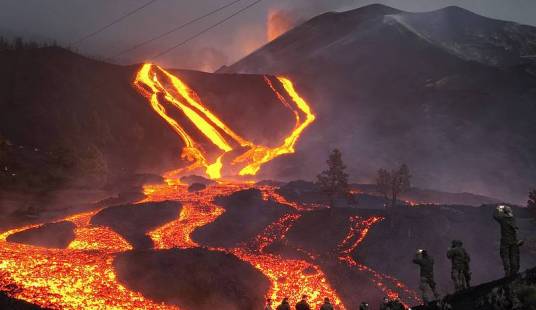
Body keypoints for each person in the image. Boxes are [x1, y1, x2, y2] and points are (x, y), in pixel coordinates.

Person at [493, 205, 523, 276]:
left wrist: (500, 207)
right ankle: (514, 272)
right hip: (514, 241)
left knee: (505, 256)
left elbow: (495, 215)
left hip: (505, 241)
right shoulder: (512, 219)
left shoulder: (503, 219)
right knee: (514, 256)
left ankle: (507, 272)